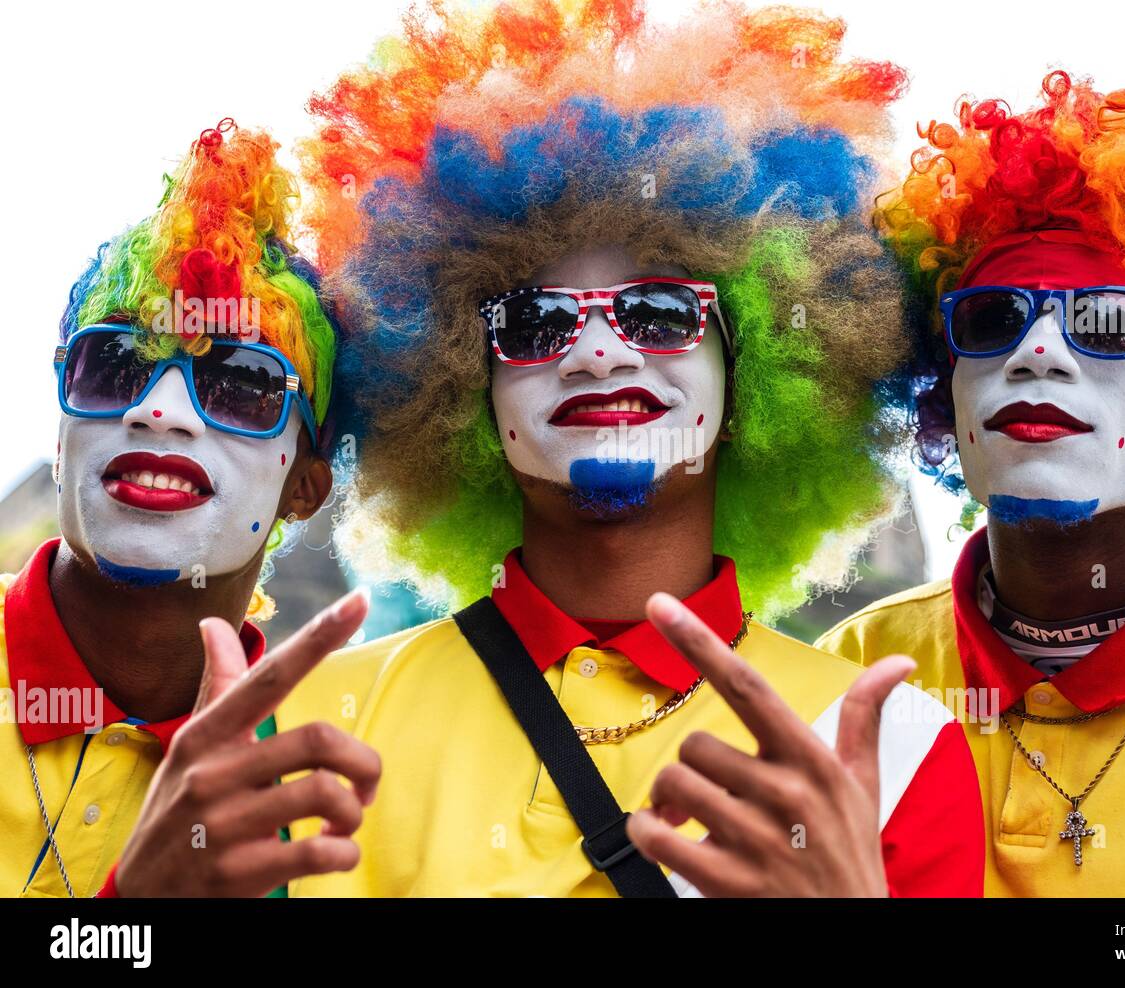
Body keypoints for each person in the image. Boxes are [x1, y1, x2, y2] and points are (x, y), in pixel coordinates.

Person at [270, 0, 985, 897]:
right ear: (458, 385)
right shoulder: (306, 733)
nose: (600, 352)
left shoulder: (890, 749)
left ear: (762, 370)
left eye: (659, 313)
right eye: (533, 322)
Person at [820, 73, 1125, 896]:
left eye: (1109, 321)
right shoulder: (849, 673)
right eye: (992, 319)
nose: (1036, 351)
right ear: (947, 394)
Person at [2, 120, 379, 898]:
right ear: (64, 433)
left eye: (241, 382)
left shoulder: (332, 788)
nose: (161, 411)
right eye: (117, 364)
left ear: (303, 489)